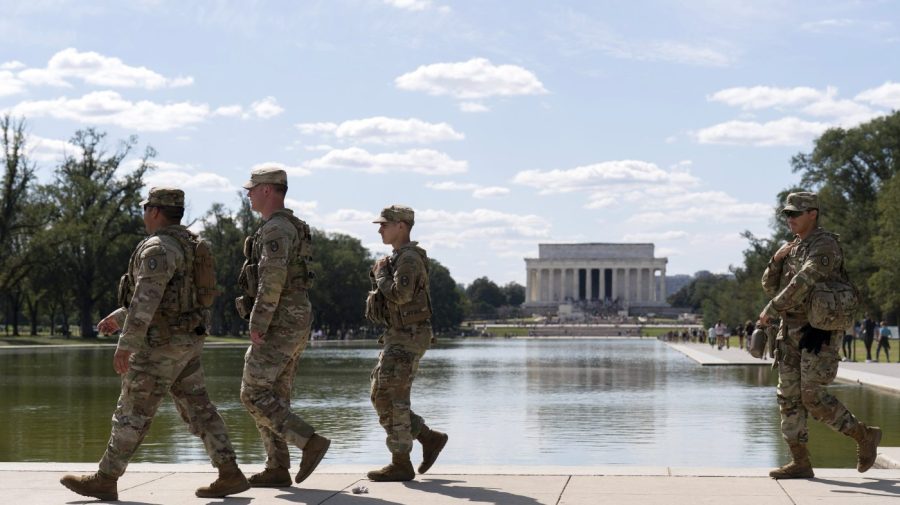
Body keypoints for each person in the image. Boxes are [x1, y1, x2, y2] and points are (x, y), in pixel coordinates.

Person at [60, 187, 249, 500]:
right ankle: (229, 472)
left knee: (132, 409)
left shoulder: (158, 248)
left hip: (160, 345)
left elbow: (147, 299)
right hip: (187, 341)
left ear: (155, 211)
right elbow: (168, 298)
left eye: (145, 208)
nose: (144, 214)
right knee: (198, 407)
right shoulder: (190, 245)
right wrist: (120, 317)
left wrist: (126, 344)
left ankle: (105, 479)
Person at [759, 191, 881, 480]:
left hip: (818, 331)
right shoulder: (792, 248)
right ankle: (800, 461)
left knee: (812, 396)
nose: (789, 219)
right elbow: (769, 285)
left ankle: (864, 435)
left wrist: (772, 308)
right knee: (788, 398)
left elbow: (805, 280)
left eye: (795, 214)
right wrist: (776, 259)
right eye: (787, 214)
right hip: (789, 331)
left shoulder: (825, 245)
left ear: (812, 214)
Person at [236, 166, 330, 487]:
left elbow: (272, 280)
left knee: (252, 393)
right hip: (294, 319)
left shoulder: (276, 229)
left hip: (280, 321)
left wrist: (258, 321)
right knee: (274, 395)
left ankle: (309, 441)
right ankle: (277, 467)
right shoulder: (288, 226)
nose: (248, 194)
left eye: (252, 188)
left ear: (267, 190)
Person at [365, 205, 448, 482]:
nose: (380, 229)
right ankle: (428, 437)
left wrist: (380, 275)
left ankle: (401, 462)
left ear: (401, 226)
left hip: (408, 336)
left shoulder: (409, 259)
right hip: (398, 335)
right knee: (380, 395)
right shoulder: (398, 257)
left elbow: (401, 296)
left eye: (385, 224)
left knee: (394, 398)